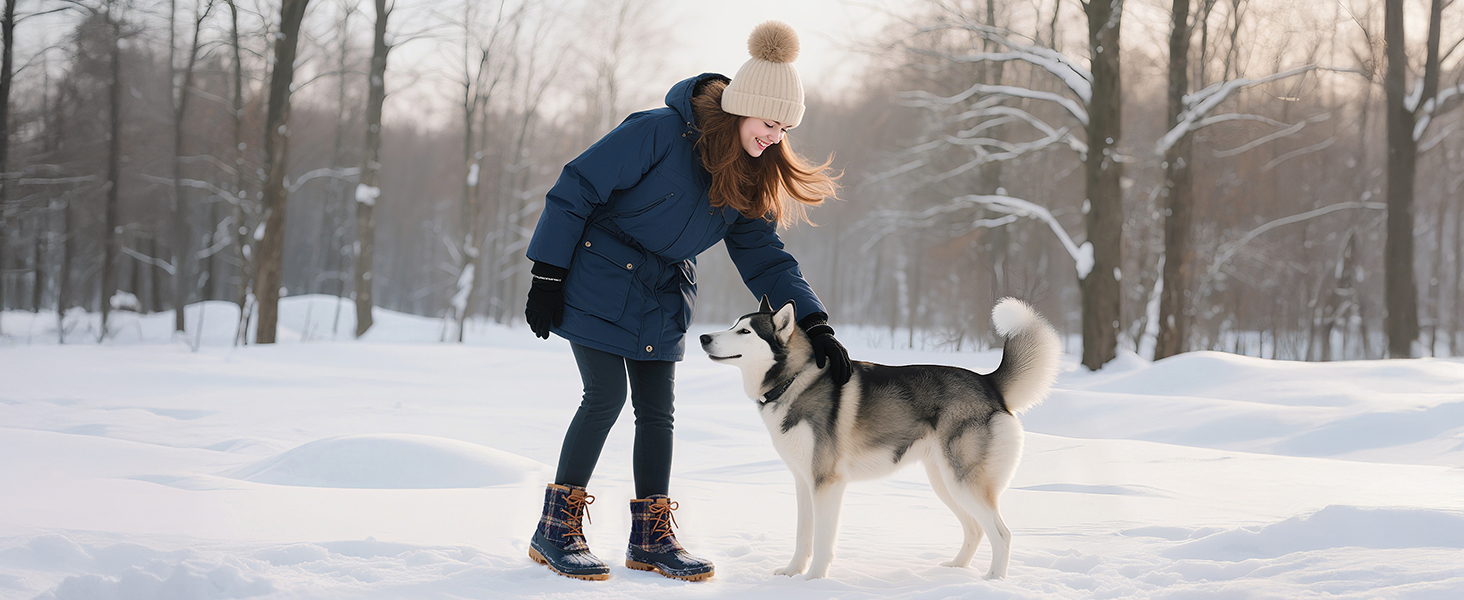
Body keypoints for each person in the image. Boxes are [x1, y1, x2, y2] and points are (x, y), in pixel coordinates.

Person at [523, 21, 851, 582]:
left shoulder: (749, 175)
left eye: (784, 129)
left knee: (658, 410)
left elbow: (766, 259)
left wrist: (815, 323)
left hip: (662, 290)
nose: (775, 137)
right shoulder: (659, 132)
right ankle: (556, 528)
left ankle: (650, 538)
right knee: (605, 395)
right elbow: (577, 186)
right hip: (599, 273)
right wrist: (548, 273)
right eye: (769, 123)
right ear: (743, 108)